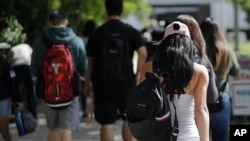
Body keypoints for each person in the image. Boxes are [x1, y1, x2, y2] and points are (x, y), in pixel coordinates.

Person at [84, 0, 147, 140]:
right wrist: (137, 76)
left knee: (107, 122)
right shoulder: (130, 31)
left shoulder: (98, 32)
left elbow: (90, 61)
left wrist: (87, 82)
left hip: (103, 83)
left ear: (106, 11)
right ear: (122, 11)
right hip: (126, 82)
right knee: (128, 118)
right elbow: (143, 53)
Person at [139, 21, 210, 141]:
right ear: (188, 44)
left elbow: (142, 104)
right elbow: (201, 109)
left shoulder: (149, 68)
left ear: (164, 43)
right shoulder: (200, 72)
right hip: (188, 135)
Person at [31, 10, 87, 141]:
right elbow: (83, 68)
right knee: (66, 130)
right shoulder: (76, 41)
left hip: (48, 91)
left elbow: (33, 70)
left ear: (49, 24)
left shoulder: (40, 43)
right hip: (70, 92)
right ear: (66, 22)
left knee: (52, 128)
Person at [200, 17, 241, 141]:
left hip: (200, 99)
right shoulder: (227, 51)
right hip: (221, 99)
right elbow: (236, 72)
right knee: (222, 137)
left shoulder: (197, 52)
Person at [175, 15, 219, 111]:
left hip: (161, 119)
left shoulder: (157, 60)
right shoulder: (202, 61)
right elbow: (212, 97)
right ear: (196, 33)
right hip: (191, 117)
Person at [6, 43, 37, 119]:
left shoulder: (12, 49)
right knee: (30, 89)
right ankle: (33, 112)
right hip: (27, 65)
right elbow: (33, 56)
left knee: (16, 89)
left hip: (16, 67)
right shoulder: (27, 46)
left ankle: (16, 111)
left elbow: (8, 61)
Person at [0, 53, 23, 141]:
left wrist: (17, 101)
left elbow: (13, 83)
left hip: (2, 100)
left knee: (4, 130)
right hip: (3, 100)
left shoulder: (4, 64)